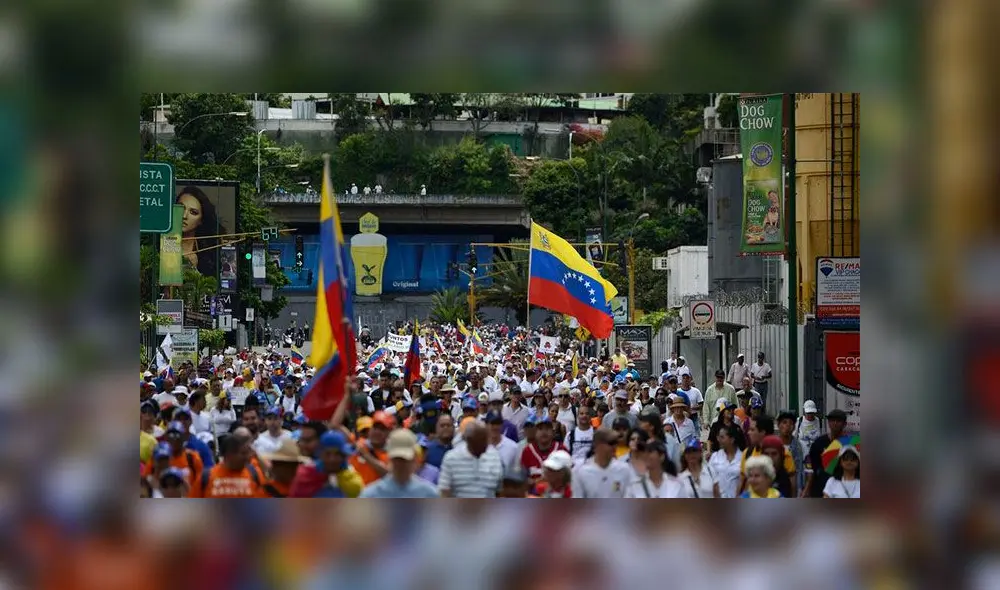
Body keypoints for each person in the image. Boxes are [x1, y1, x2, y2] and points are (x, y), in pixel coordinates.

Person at [360, 429, 440, 498]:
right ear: (389, 458)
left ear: (414, 458)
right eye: (397, 459)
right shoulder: (371, 494)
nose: (400, 464)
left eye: (405, 459)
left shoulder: (429, 493)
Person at [289, 431, 365, 498]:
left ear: (344, 456)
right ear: (320, 454)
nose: (332, 459)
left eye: (337, 454)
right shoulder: (305, 476)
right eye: (327, 454)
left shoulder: (352, 479)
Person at [438, 422, 504, 498]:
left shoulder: (494, 456)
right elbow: (444, 491)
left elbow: (499, 491)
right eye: (480, 441)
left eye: (485, 440)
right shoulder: (451, 458)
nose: (484, 445)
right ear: (469, 440)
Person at [189, 432, 264, 498]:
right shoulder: (206, 476)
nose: (247, 457)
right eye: (243, 453)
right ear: (229, 455)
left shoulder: (255, 474)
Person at [176, 185, 226, 277]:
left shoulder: (209, 253)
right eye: (181, 208)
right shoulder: (159, 244)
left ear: (201, 220)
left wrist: (194, 270)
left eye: (193, 212)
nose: (184, 216)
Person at [572, 428, 632, 498]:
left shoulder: (624, 469)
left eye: (616, 443)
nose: (615, 447)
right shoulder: (580, 473)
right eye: (611, 443)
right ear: (597, 445)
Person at [804, 409, 848, 497]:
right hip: (820, 488)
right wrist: (807, 489)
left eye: (838, 421)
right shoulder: (819, 443)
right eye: (832, 420)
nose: (835, 423)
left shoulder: (850, 443)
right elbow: (812, 467)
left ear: (844, 424)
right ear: (828, 422)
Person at [625, 439, 690, 498]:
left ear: (661, 456)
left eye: (650, 451)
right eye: (644, 452)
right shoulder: (635, 485)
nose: (646, 455)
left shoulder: (676, 484)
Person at [519, 415, 567, 486]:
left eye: (547, 429)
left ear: (553, 433)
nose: (544, 432)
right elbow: (521, 478)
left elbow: (568, 478)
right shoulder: (527, 451)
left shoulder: (561, 449)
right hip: (533, 494)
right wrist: (536, 481)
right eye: (540, 429)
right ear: (535, 432)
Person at [708, 424, 744, 498]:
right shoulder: (715, 456)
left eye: (722, 437)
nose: (718, 440)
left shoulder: (743, 458)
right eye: (718, 437)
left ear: (732, 439)